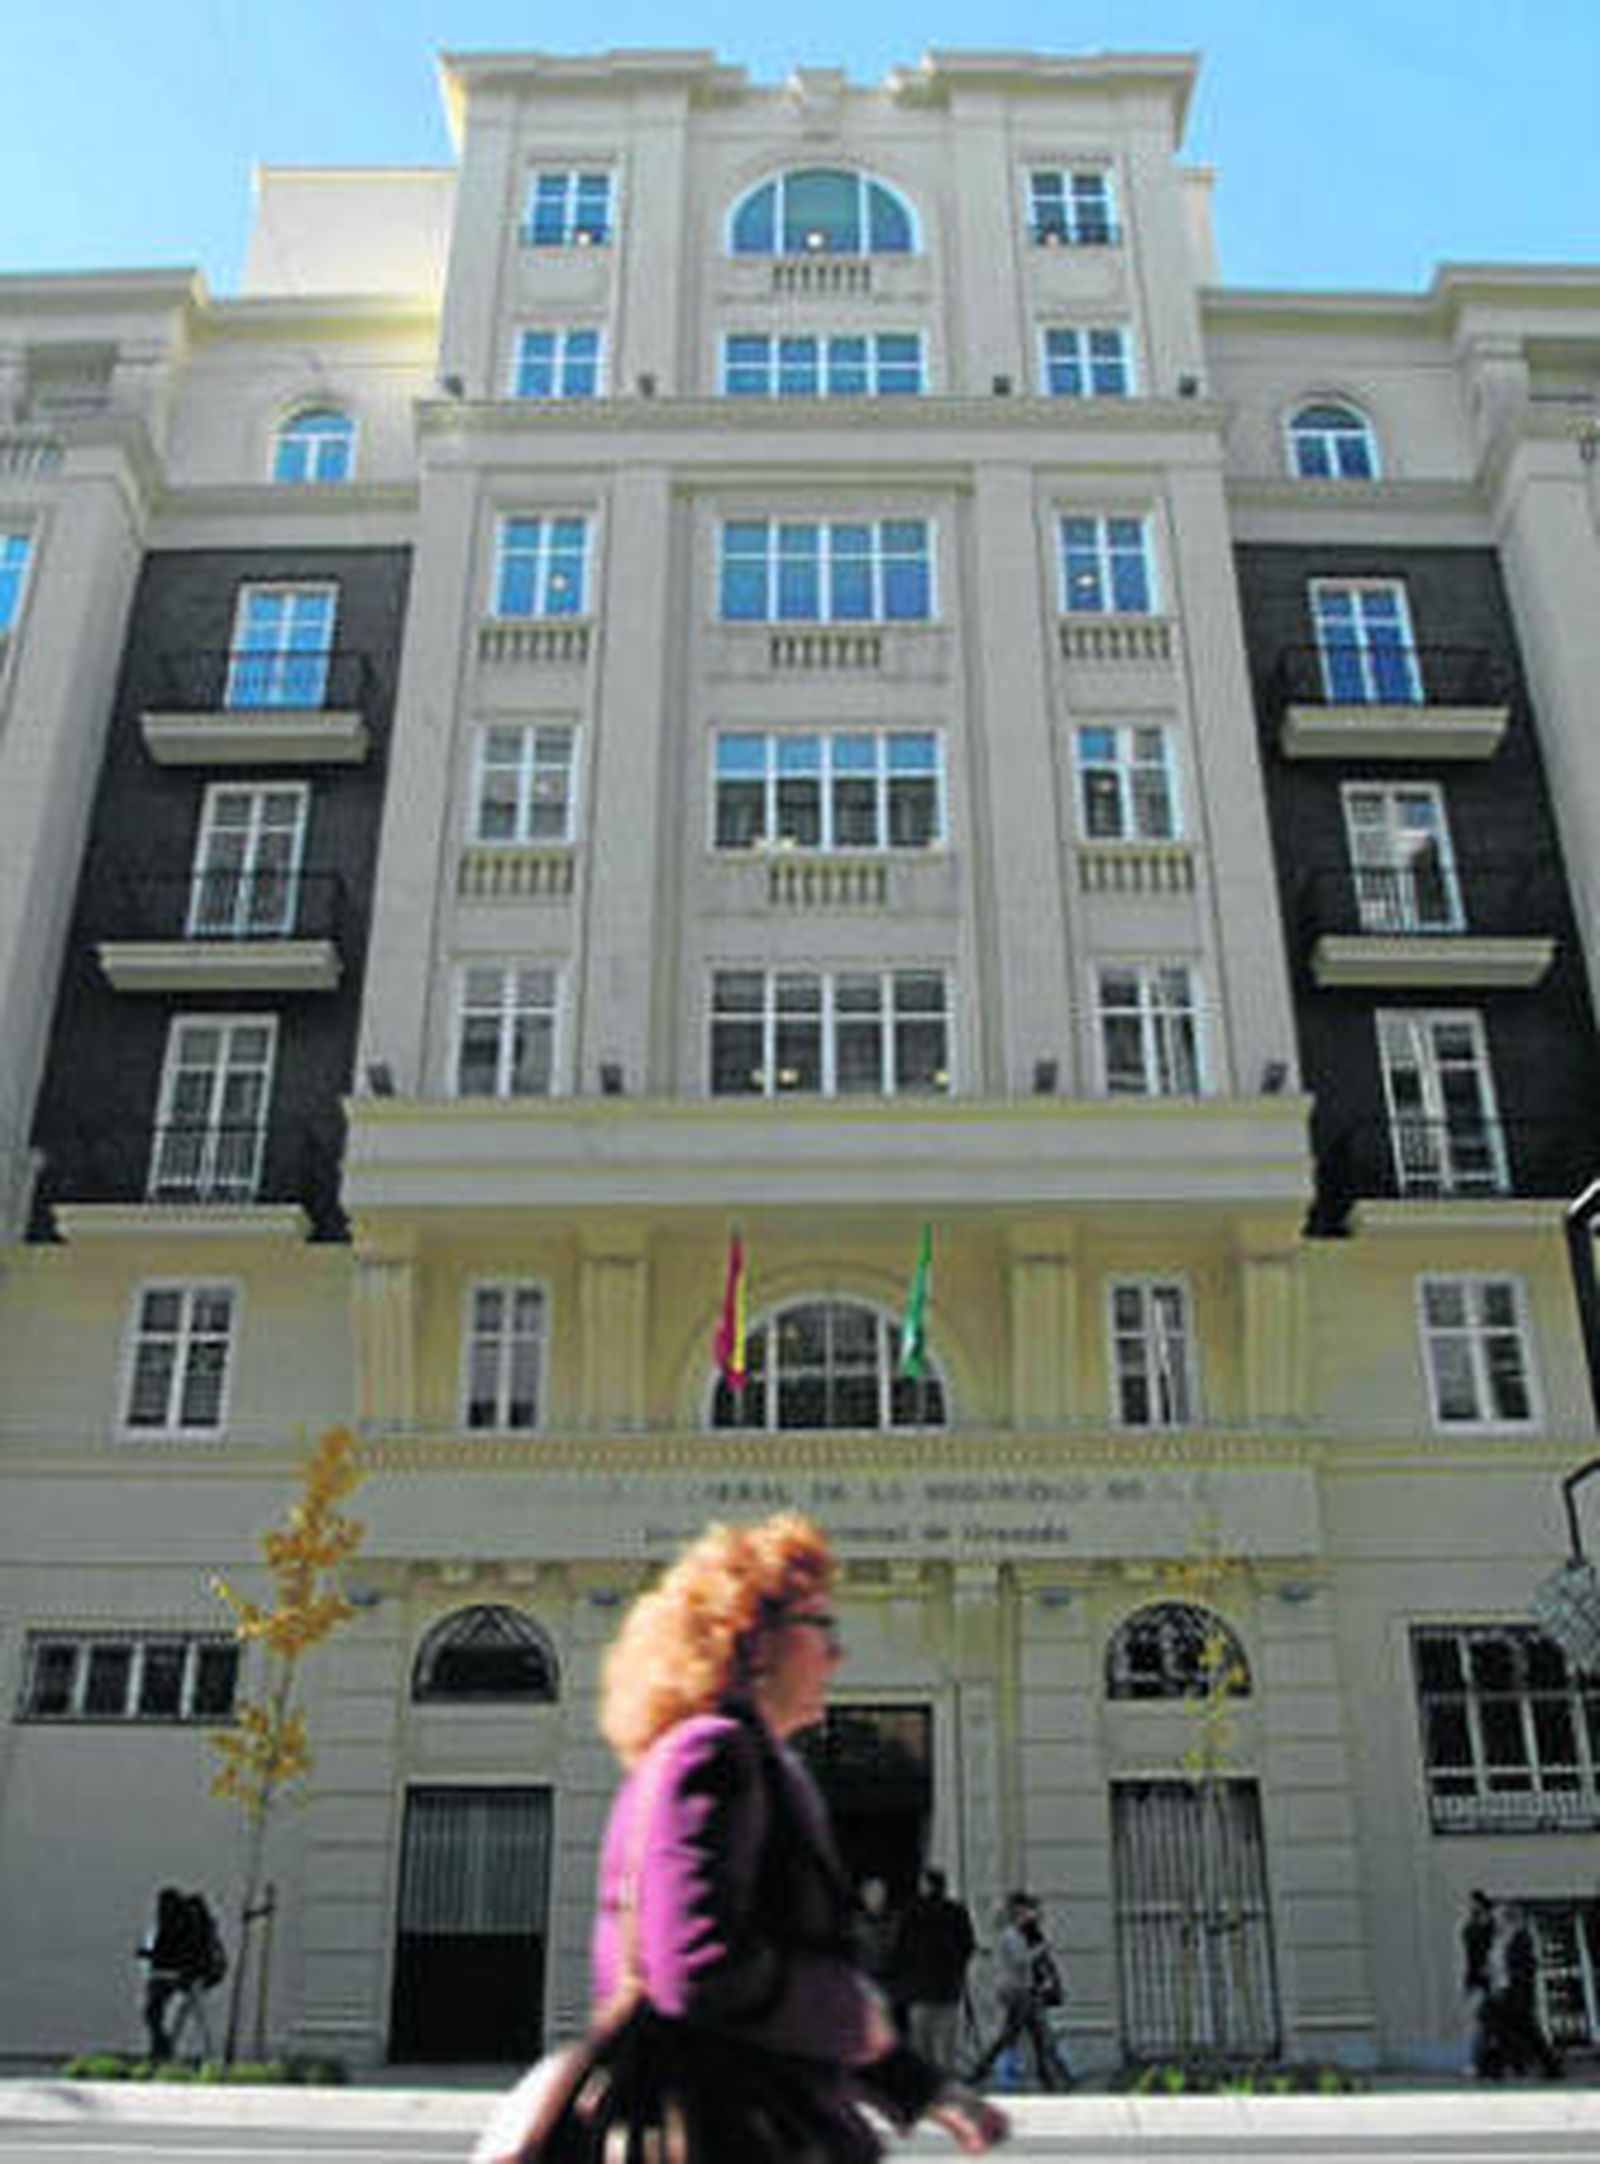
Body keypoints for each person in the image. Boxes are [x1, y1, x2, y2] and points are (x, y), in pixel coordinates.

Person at [478, 1514, 1005, 2161]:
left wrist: (921, 2089)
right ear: (755, 1639)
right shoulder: (709, 1754)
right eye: (820, 1626)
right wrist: (849, 2011)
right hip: (721, 2132)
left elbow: (774, 1976)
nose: (836, 1652)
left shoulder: (760, 1765)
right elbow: (696, 1964)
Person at [968, 1891, 1072, 2092]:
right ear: (1020, 1911)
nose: (1036, 1914)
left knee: (1029, 2034)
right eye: (1031, 1910)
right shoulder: (1011, 1935)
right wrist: (1042, 1949)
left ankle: (1049, 2077)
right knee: (1032, 2034)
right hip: (1017, 1991)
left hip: (1021, 1990)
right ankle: (1052, 2077)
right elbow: (1021, 1960)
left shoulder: (1017, 1934)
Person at [895, 1868, 976, 2072]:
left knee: (921, 2045)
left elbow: (900, 1949)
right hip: (947, 1990)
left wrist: (905, 1978)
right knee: (945, 2047)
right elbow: (967, 1946)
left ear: (925, 1886)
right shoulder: (956, 1911)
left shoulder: (912, 1912)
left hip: (918, 1990)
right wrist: (956, 1970)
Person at [136, 1886, 218, 2062]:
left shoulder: (190, 1924)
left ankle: (165, 2047)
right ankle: (161, 2046)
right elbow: (164, 1953)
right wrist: (151, 1957)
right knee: (152, 2011)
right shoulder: (165, 1925)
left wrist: (153, 1957)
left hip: (190, 1975)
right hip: (168, 1974)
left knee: (158, 2009)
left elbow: (190, 1955)